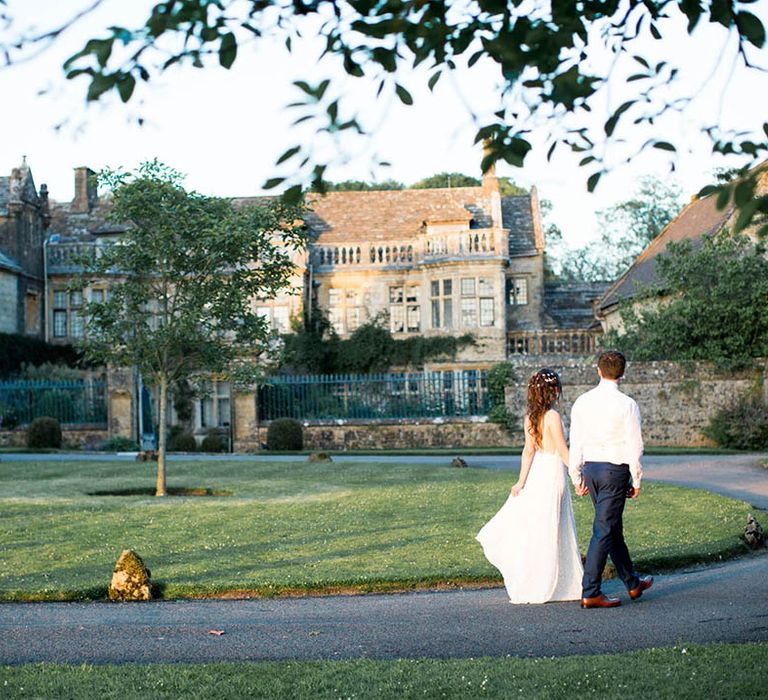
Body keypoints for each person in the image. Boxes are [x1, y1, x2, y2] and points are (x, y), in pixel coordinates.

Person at [476, 368, 583, 604]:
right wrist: (577, 477)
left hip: (538, 472)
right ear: (549, 391)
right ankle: (552, 583)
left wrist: (522, 481)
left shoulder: (530, 417)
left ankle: (545, 579)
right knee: (552, 525)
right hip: (553, 471)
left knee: (544, 525)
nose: (557, 392)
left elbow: (528, 451)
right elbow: (563, 451)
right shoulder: (553, 417)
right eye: (555, 388)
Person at [569, 349, 653, 609]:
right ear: (623, 373)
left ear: (598, 370)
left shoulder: (582, 401)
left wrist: (576, 476)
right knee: (604, 530)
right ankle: (591, 591)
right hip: (614, 471)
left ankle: (632, 583)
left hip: (591, 470)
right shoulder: (627, 404)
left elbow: (577, 442)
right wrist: (636, 480)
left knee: (611, 528)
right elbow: (634, 445)